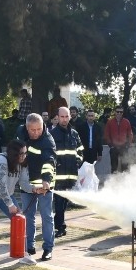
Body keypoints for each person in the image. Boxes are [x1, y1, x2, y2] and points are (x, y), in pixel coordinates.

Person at [20, 113, 57, 261]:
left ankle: (48, 248)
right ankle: (29, 246)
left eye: (39, 129)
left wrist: (46, 180)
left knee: (46, 216)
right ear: (27, 128)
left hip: (44, 185)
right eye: (32, 130)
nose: (36, 133)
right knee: (28, 216)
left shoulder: (48, 140)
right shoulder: (21, 135)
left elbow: (49, 161)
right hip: (27, 184)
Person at [50, 107, 83, 238]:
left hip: (71, 175)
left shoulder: (74, 134)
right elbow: (49, 153)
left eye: (66, 116)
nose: (64, 119)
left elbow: (80, 150)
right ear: (58, 117)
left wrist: (77, 162)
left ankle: (57, 224)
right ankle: (60, 227)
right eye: (62, 117)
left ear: (70, 117)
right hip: (57, 176)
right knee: (58, 202)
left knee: (64, 203)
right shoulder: (52, 134)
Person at [103, 105, 133, 173]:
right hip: (114, 147)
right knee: (114, 166)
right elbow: (106, 134)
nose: (119, 113)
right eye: (117, 112)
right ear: (115, 112)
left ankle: (125, 181)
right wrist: (110, 145)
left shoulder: (126, 122)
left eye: (121, 112)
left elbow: (130, 134)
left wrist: (128, 144)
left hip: (124, 146)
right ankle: (114, 181)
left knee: (125, 166)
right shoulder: (109, 122)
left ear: (123, 113)